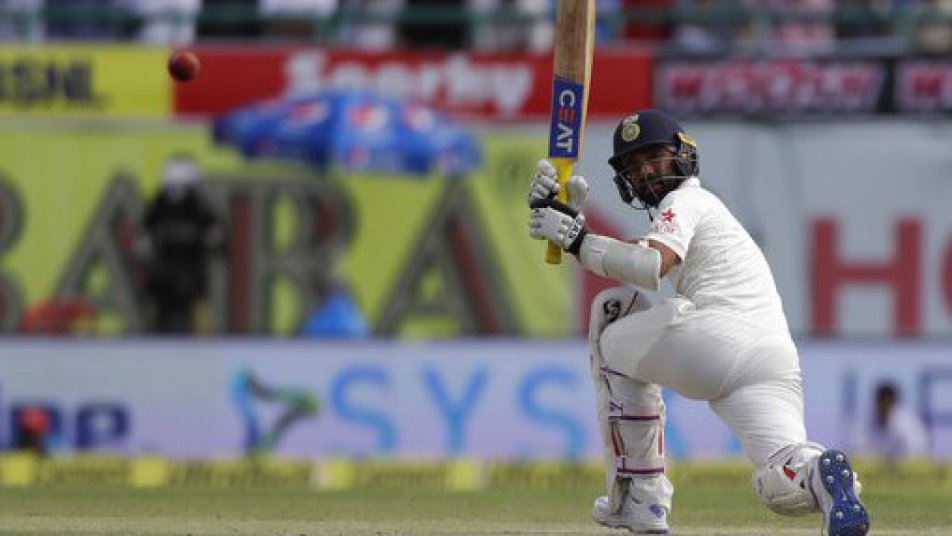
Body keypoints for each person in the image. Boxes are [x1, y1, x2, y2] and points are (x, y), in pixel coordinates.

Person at [526, 109, 869, 535]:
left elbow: (652, 264)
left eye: (653, 157)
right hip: (773, 358)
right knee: (780, 479)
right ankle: (821, 475)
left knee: (612, 315)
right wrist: (576, 228)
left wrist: (578, 241)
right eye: (634, 165)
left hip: (719, 338)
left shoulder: (686, 200)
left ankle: (641, 500)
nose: (645, 171)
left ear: (683, 154)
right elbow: (638, 251)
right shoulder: (703, 211)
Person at [141, 155, 224, 334]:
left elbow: (213, 231)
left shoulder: (197, 204)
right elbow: (146, 233)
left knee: (196, 309)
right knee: (161, 311)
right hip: (166, 272)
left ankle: (198, 336)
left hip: (191, 270)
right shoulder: (160, 203)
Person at [856, 381, 929, 463]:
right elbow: (860, 448)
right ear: (877, 403)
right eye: (882, 402)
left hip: (904, 466)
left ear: (894, 403)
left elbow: (916, 450)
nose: (885, 406)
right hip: (874, 466)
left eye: (888, 403)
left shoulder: (908, 422)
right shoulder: (867, 420)